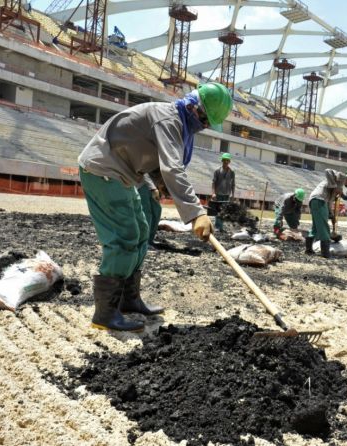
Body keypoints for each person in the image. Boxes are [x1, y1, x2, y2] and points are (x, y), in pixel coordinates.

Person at [78, 82, 233, 332]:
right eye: (205, 120)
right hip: (103, 170)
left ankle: (129, 300)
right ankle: (105, 314)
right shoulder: (168, 119)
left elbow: (157, 164)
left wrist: (160, 184)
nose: (204, 127)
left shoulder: (178, 122)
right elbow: (172, 167)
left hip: (124, 174)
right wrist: (196, 213)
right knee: (124, 237)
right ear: (195, 110)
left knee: (140, 230)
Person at [305, 168, 347, 258]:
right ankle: (325, 253)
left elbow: (329, 204)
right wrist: (334, 185)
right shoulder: (330, 183)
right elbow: (327, 170)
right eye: (339, 188)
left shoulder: (332, 191)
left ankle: (308, 249)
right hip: (319, 201)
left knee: (316, 227)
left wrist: (331, 214)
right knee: (324, 227)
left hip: (316, 201)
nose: (339, 191)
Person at [136, 173, 163, 250]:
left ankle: (149, 240)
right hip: (142, 183)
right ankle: (143, 242)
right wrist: (153, 188)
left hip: (153, 185)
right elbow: (144, 172)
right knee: (146, 212)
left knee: (157, 210)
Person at [211, 152, 235, 232]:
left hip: (227, 195)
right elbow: (213, 182)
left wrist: (232, 194)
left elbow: (233, 184)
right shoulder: (217, 171)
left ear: (229, 162)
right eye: (224, 160)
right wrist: (213, 193)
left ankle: (221, 227)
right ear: (222, 160)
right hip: (218, 194)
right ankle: (217, 226)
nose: (226, 162)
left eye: (227, 160)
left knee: (224, 211)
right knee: (218, 211)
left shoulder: (232, 172)